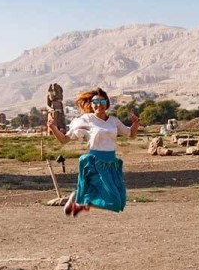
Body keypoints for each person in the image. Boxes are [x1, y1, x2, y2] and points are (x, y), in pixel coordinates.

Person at [46, 87, 139, 217]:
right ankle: (80, 200)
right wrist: (53, 127)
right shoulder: (86, 120)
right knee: (112, 198)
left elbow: (131, 134)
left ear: (106, 104)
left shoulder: (114, 121)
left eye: (102, 102)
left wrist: (135, 123)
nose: (98, 105)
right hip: (95, 163)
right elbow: (64, 140)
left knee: (119, 201)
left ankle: (79, 200)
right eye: (95, 102)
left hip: (111, 163)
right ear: (91, 104)